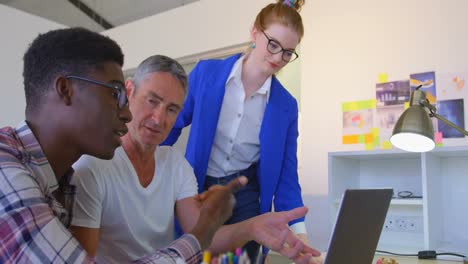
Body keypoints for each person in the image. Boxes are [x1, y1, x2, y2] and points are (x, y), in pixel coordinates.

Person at [0, 28, 245, 264]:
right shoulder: (6, 172)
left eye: (172, 109)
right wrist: (200, 235)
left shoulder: (56, 182)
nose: (127, 113)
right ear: (66, 90)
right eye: (115, 93)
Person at [71, 55, 321, 264]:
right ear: (129, 92)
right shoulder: (92, 167)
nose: (159, 119)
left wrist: (252, 227)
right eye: (152, 101)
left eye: (171, 109)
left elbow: (202, 236)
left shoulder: (175, 165)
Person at [163, 0, 310, 260]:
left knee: (242, 259)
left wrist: (300, 233)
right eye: (273, 44)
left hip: (246, 196)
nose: (278, 58)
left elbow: (287, 173)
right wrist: (143, 172)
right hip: (197, 188)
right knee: (195, 255)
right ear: (254, 33)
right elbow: (170, 126)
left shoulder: (286, 106)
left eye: (288, 52)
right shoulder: (206, 74)